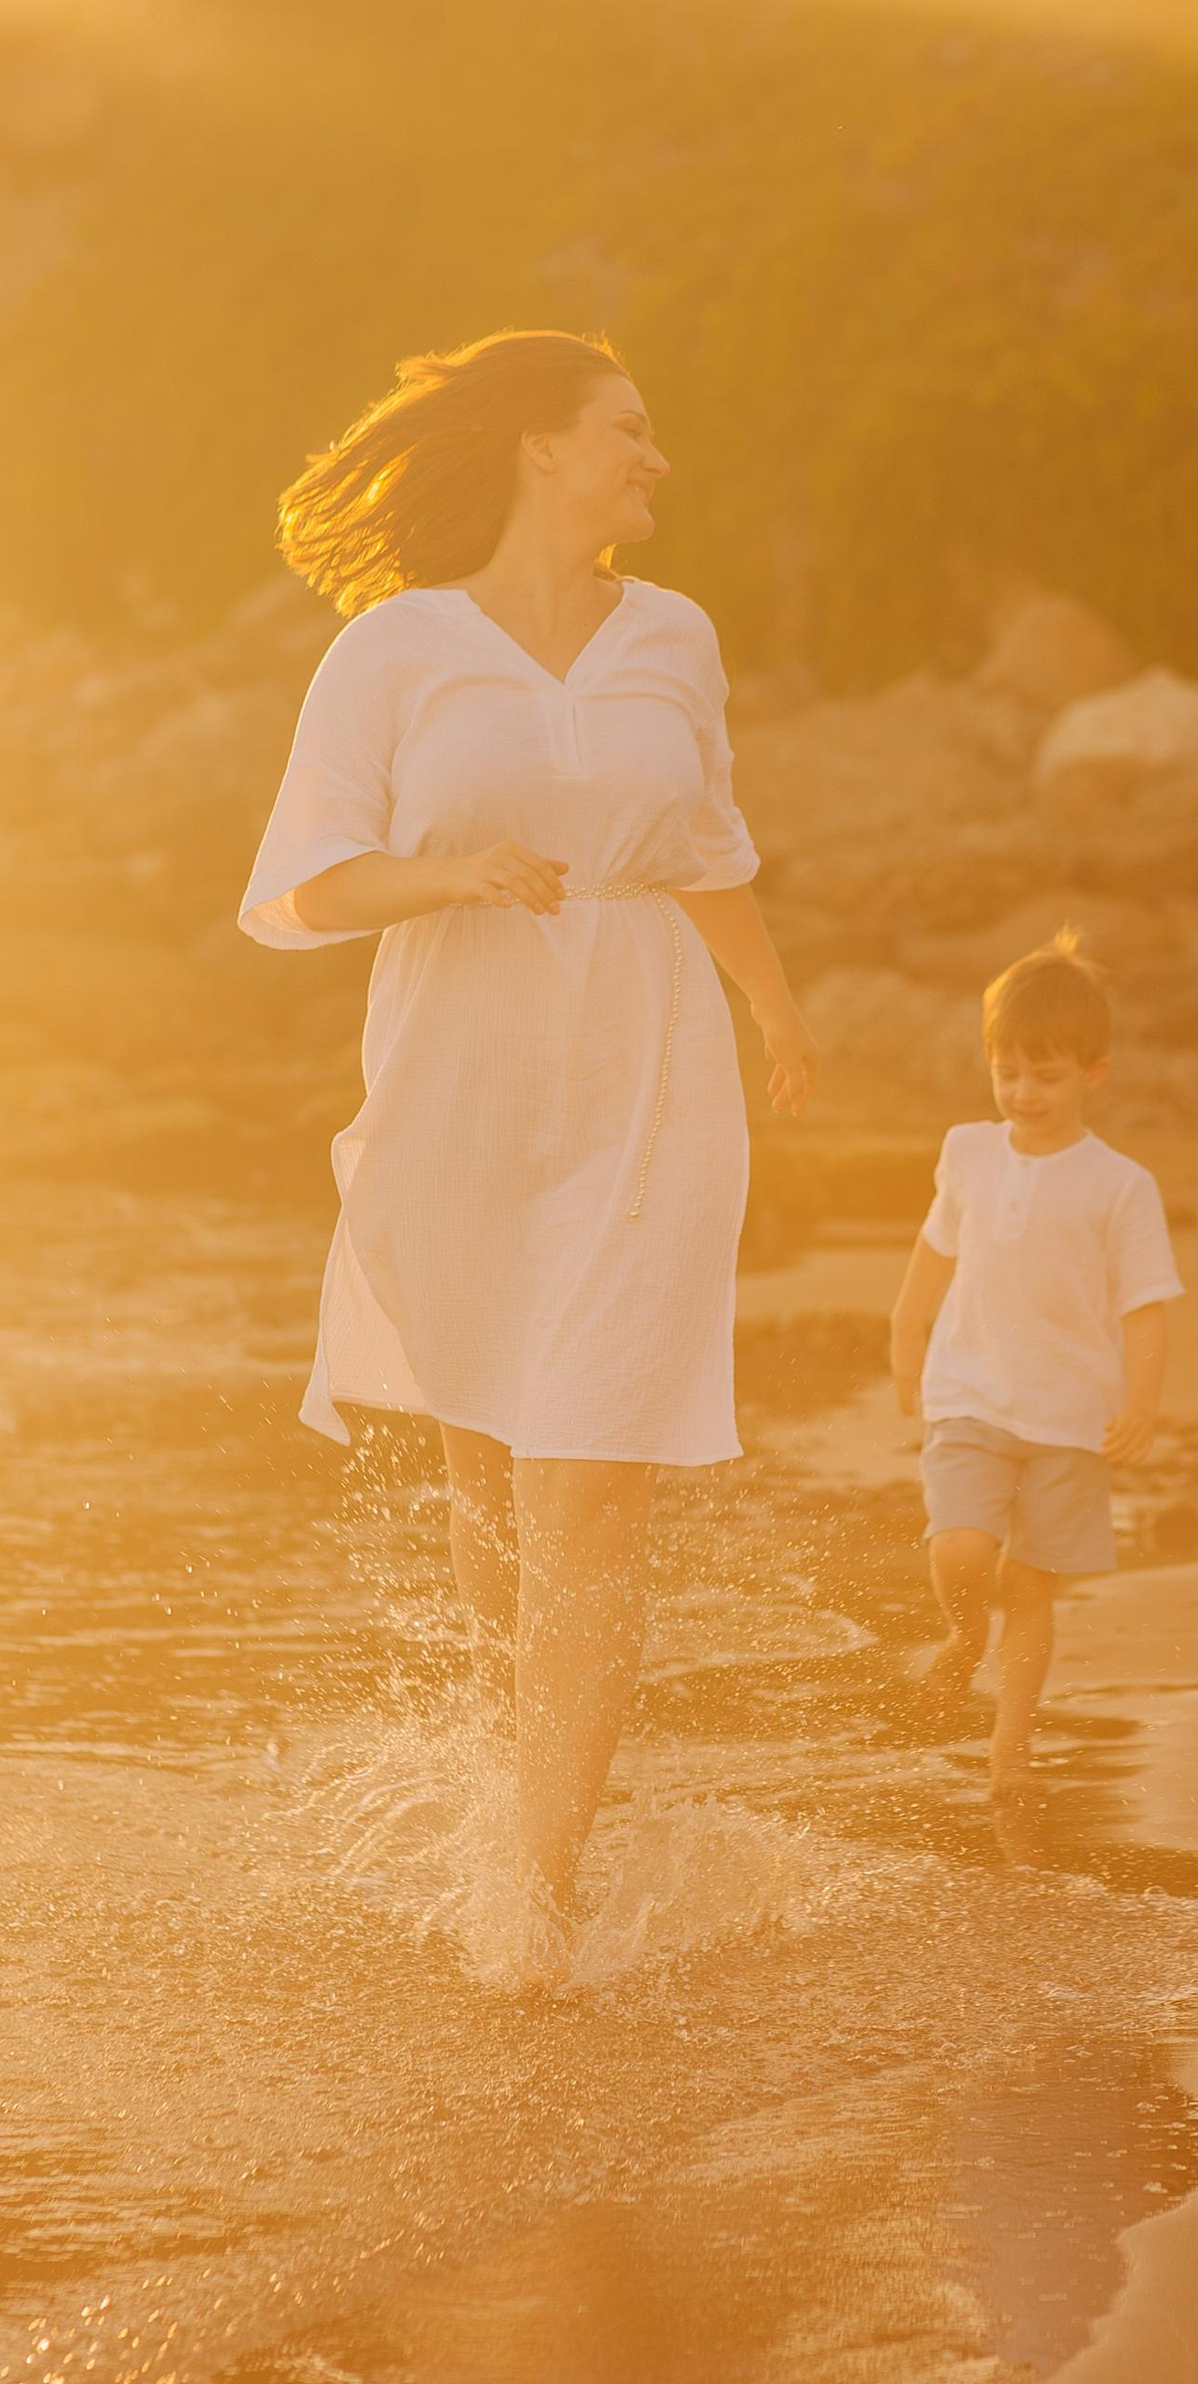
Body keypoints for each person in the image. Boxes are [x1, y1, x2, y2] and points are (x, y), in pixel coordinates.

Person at [237, 328, 819, 1954]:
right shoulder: (394, 649)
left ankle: (537, 1900)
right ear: (539, 446)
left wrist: (772, 1002)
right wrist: (452, 874)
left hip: (648, 1071)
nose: (654, 458)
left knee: (593, 1485)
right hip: (462, 1080)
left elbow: (704, 845)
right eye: (627, 428)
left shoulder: (674, 637)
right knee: (489, 1470)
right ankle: (522, 1779)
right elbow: (302, 884)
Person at [887, 931, 1180, 1794]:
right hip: (969, 1392)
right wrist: (906, 1332)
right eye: (1007, 1071)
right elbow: (935, 1247)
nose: (1024, 1093)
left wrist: (1140, 1406)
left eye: (1046, 1076)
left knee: (1031, 1587)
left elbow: (1146, 1305)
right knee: (960, 1550)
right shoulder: (968, 1152)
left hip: (1071, 1417)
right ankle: (962, 1634)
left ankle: (1009, 1746)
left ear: (1094, 1074)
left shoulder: (1120, 1186)